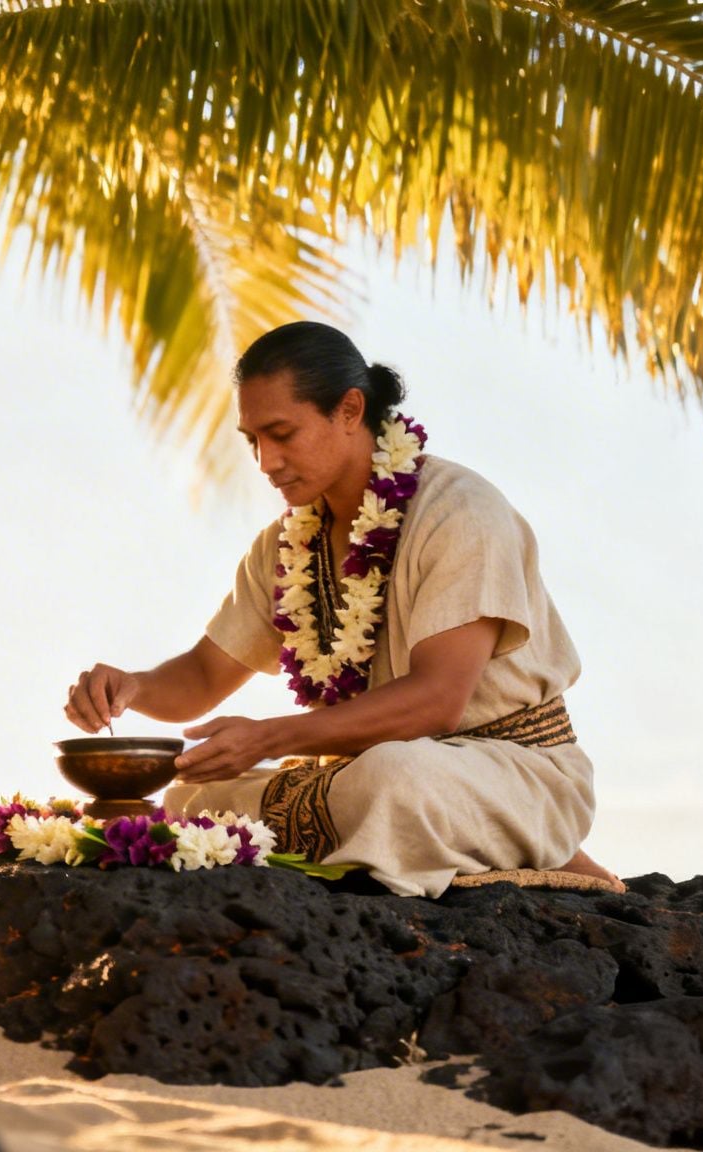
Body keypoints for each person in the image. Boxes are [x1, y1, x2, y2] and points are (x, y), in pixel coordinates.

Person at [63, 321, 622, 896]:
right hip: (361, 777)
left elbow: (436, 703)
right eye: (252, 439)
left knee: (395, 779)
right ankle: (451, 842)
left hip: (509, 770)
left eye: (282, 433)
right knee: (191, 798)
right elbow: (203, 678)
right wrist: (129, 685)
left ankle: (542, 839)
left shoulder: (461, 513)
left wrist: (269, 737)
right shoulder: (283, 545)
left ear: (350, 410)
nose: (265, 461)